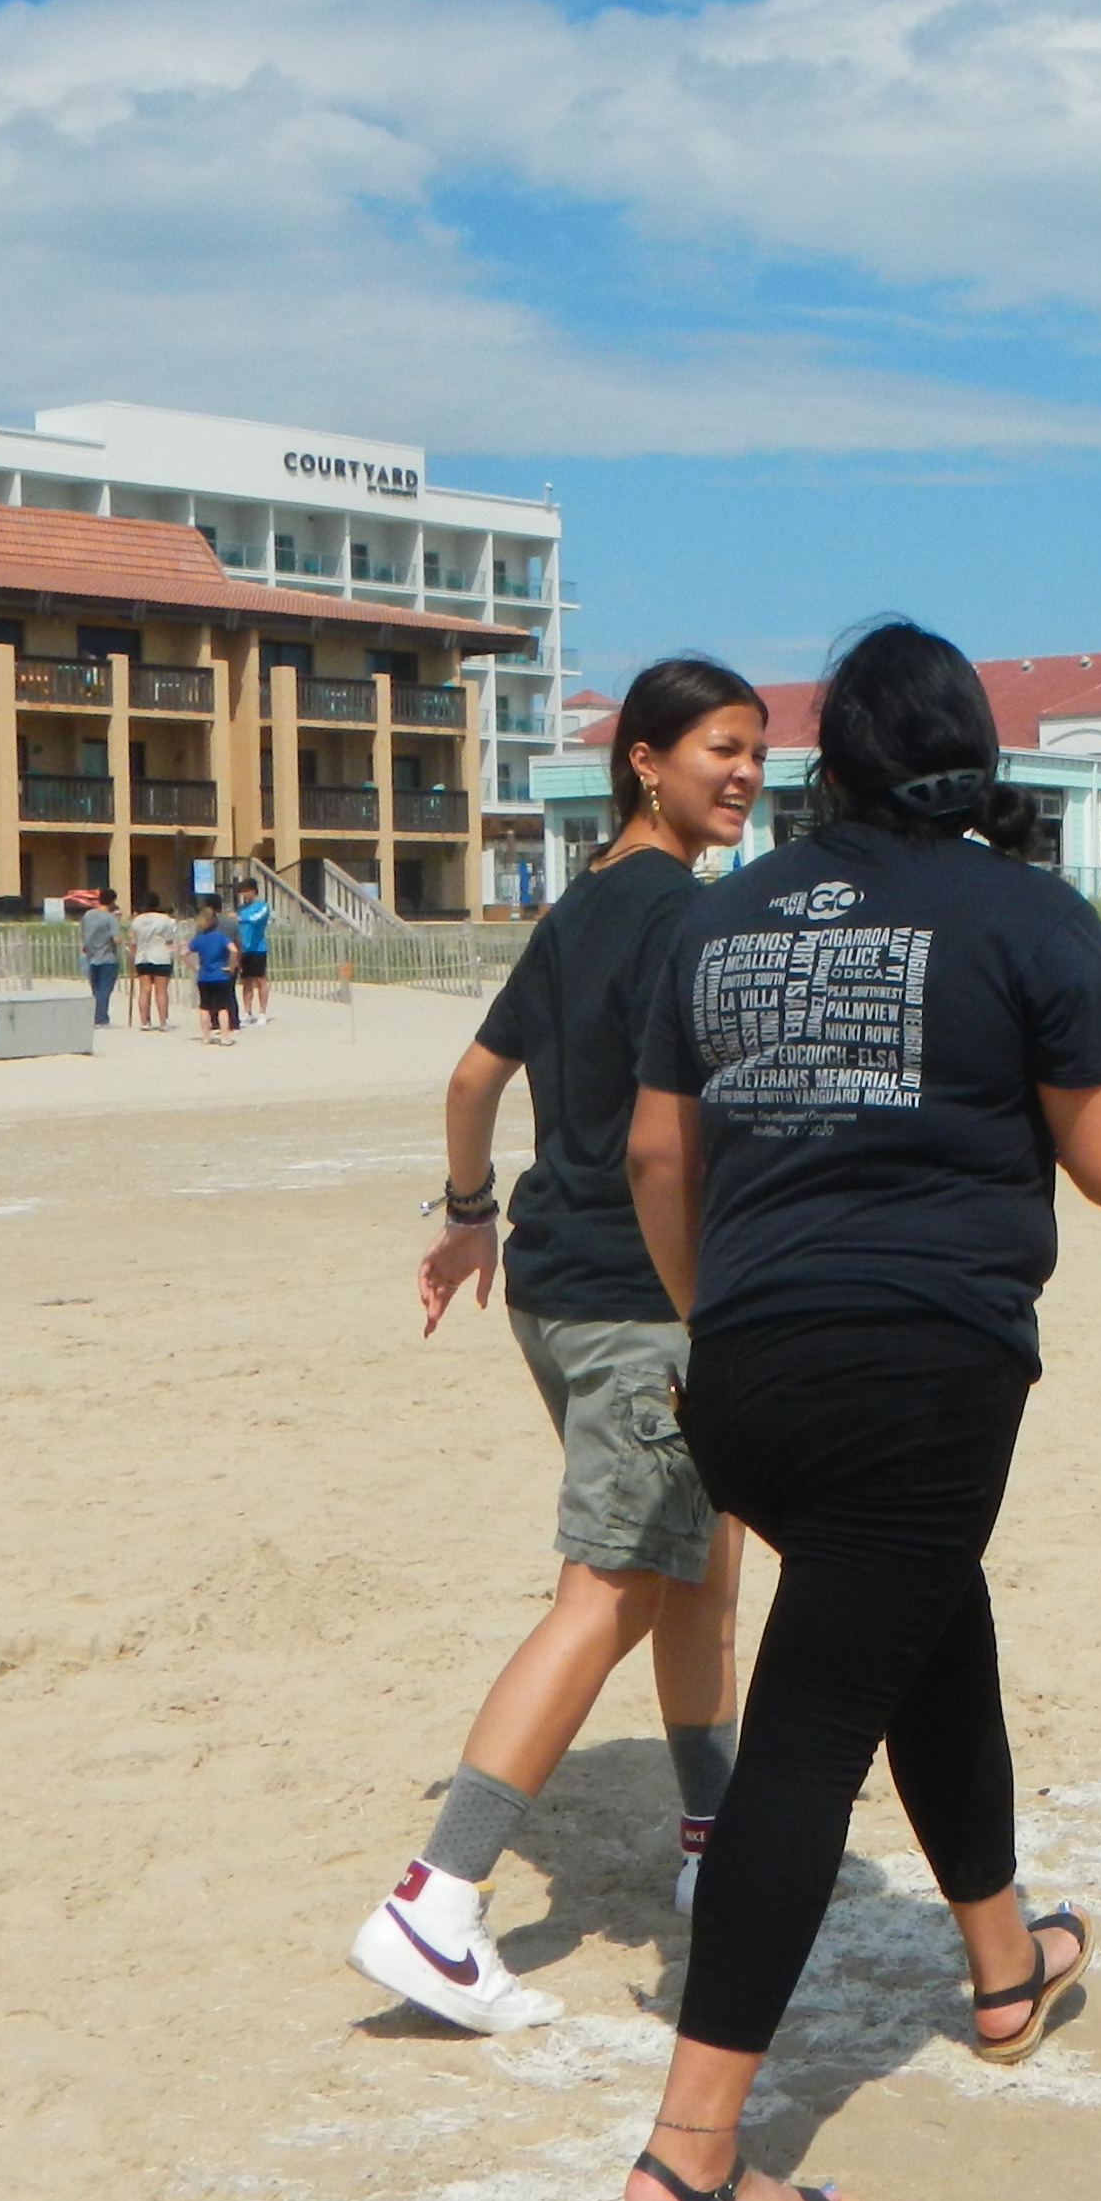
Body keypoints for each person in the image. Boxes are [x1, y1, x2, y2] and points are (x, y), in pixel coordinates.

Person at [614, 620, 1101, 2201]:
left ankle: (1004, 1963)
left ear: (827, 762)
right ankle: (694, 2160)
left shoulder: (720, 922)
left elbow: (656, 1152)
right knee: (811, 1729)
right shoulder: (1026, 912)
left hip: (750, 1376)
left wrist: (723, 1308)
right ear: (976, 753)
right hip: (920, 1373)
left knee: (927, 1620)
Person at [350, 657, 773, 2037]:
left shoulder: (579, 908)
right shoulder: (688, 921)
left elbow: (476, 1078)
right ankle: (438, 1898)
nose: (745, 772)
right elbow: (679, 1142)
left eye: (757, 752)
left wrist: (471, 1215)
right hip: (639, 1305)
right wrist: (713, 1299)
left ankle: (717, 1842)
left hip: (551, 1285)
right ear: (644, 761)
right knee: (606, 1589)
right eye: (719, 747)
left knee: (697, 1563)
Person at [187, 902, 241, 1044]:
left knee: (205, 1007)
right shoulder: (221, 937)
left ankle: (206, 1037)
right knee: (222, 1007)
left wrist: (193, 967)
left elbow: (183, 953)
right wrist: (231, 966)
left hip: (204, 975)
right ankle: (225, 1037)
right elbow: (234, 950)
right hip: (220, 975)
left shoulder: (199, 938)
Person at [129, 901, 180, 1030]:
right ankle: (163, 1022)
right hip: (160, 956)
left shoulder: (137, 921)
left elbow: (133, 942)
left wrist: (133, 956)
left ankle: (144, 1022)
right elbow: (169, 939)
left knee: (144, 990)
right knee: (161, 991)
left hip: (142, 956)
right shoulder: (165, 920)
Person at [76, 891, 123, 1027]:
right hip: (107, 957)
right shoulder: (110, 918)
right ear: (112, 901)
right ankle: (101, 1018)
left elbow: (83, 934)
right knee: (105, 989)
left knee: (95, 989)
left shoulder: (88, 915)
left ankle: (95, 1015)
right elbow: (116, 939)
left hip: (90, 956)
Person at [236, 878, 276, 1025]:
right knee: (246, 981)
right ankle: (247, 1012)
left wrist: (240, 918)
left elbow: (255, 919)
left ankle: (262, 1013)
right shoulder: (240, 908)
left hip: (258, 948)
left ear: (253, 890)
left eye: (246, 891)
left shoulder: (262, 906)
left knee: (260, 980)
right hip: (243, 949)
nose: (244, 895)